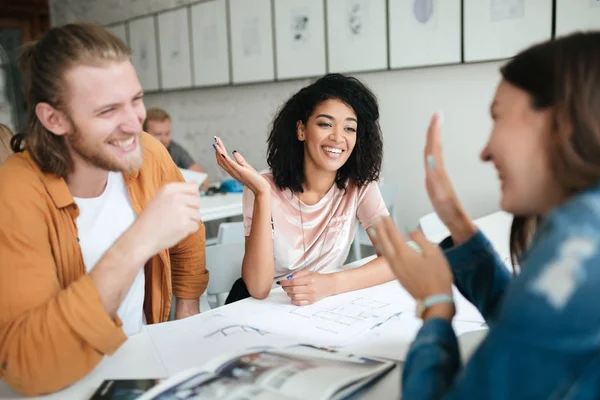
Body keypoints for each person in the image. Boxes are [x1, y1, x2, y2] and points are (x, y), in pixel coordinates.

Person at [371, 31, 600, 398]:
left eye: (498, 117)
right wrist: (457, 223)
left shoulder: (580, 245)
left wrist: (435, 307)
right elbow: (530, 332)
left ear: (563, 123)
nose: (485, 151)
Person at [0, 24, 208, 396]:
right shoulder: (15, 191)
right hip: (61, 384)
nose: (134, 123)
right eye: (108, 110)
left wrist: (187, 305)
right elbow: (27, 365)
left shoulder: (148, 152)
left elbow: (188, 227)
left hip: (141, 362)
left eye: (136, 99)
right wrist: (137, 241)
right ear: (54, 119)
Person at [214, 73, 395, 305]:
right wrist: (261, 193)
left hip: (325, 306)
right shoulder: (262, 187)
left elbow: (396, 259)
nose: (338, 137)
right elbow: (258, 288)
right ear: (301, 130)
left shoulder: (358, 184)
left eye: (350, 128)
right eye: (325, 124)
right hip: (270, 309)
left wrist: (331, 284)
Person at [144, 107, 210, 190]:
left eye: (167, 133)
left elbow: (204, 180)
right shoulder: (135, 155)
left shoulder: (174, 149)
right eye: (158, 134)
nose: (164, 139)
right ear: (143, 133)